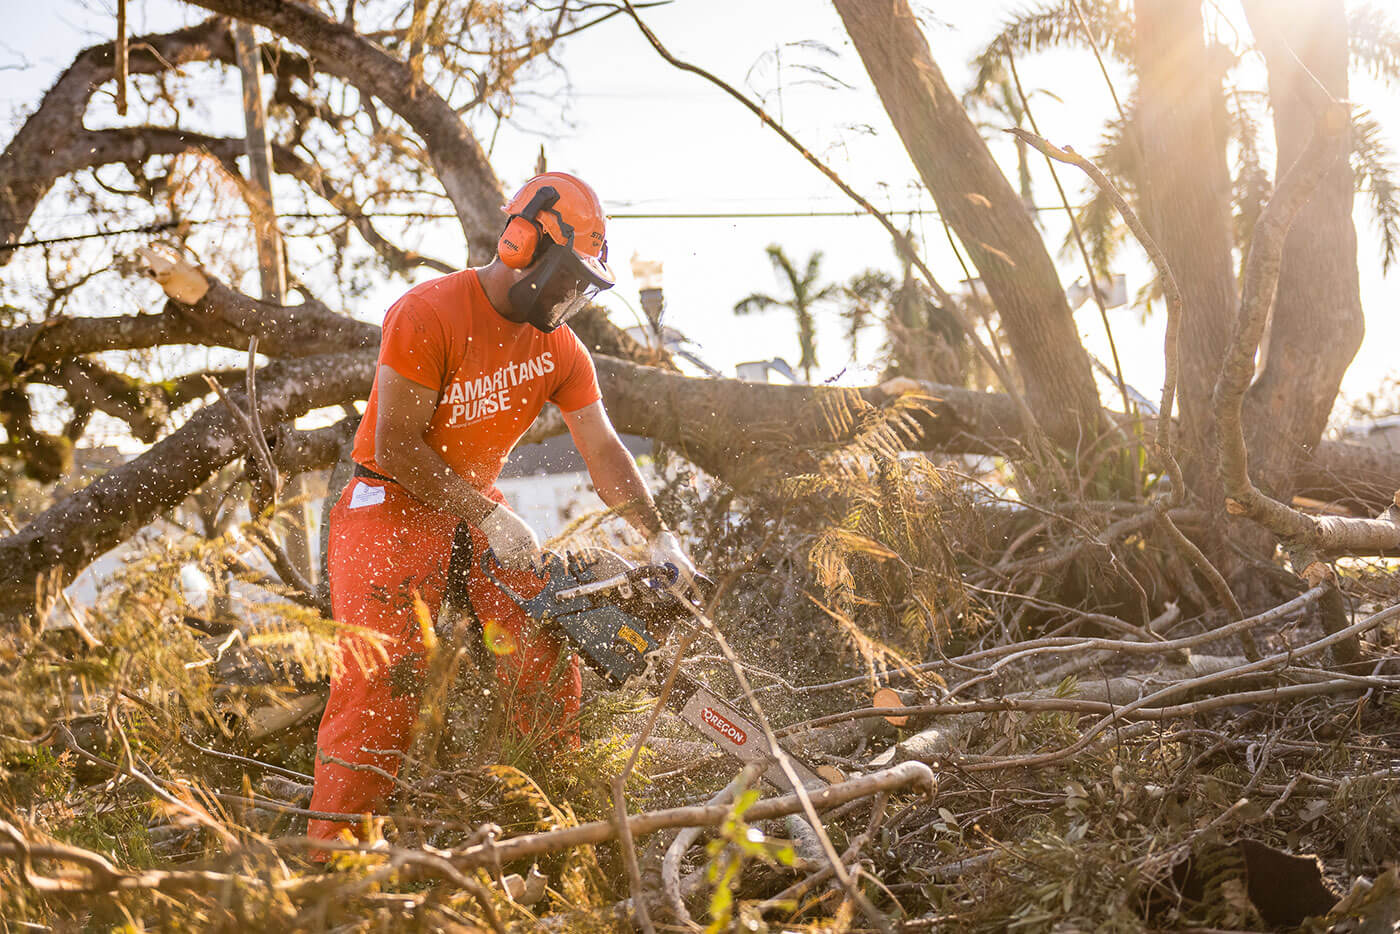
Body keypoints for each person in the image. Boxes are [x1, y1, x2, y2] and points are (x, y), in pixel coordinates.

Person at [308, 171, 695, 848]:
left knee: (545, 632)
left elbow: (602, 448)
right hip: (390, 499)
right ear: (520, 242)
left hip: (470, 501)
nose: (572, 295)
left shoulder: (559, 346)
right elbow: (396, 444)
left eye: (585, 283)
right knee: (383, 680)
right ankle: (333, 859)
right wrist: (487, 516)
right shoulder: (427, 312)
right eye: (567, 275)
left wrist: (659, 535)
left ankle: (548, 812)